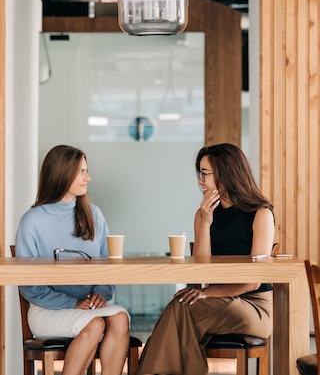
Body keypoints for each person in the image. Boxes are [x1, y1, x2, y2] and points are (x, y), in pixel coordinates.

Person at [137, 143, 275, 375]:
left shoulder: (261, 214)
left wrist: (206, 293)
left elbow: (253, 282)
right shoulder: (204, 214)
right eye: (199, 173)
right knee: (182, 315)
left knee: (181, 311)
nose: (200, 181)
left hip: (254, 306)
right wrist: (204, 223)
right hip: (214, 302)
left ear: (226, 173)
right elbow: (200, 273)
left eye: (205, 174)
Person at [15, 144, 130, 375]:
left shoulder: (94, 214)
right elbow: (29, 286)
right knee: (95, 324)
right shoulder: (32, 221)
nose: (88, 178)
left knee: (120, 318)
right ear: (62, 173)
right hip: (46, 310)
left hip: (88, 307)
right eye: (81, 172)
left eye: (86, 171)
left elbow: (106, 265)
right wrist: (73, 304)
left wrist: (101, 294)